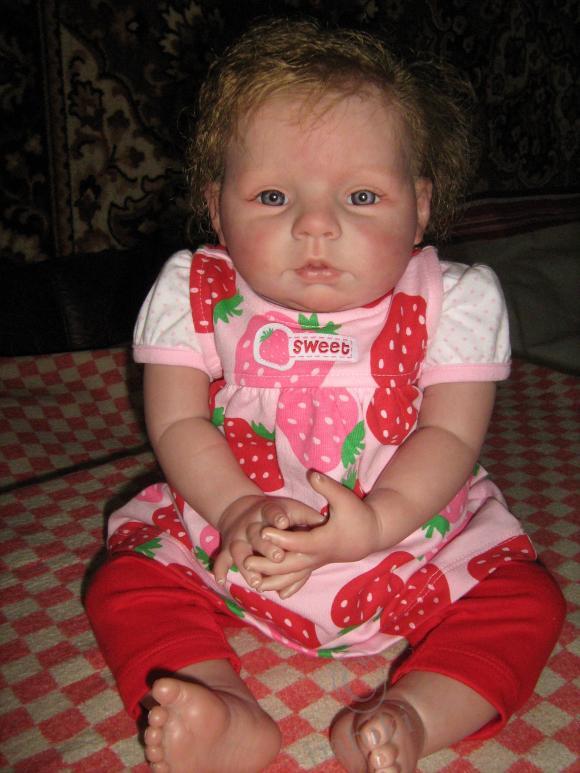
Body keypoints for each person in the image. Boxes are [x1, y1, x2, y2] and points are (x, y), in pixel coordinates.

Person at [85, 18, 565, 773]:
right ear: (217, 207)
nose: (315, 225)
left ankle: (413, 715)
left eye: (362, 195)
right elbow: (177, 422)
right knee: (126, 579)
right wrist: (234, 508)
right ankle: (224, 708)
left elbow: (448, 437)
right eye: (273, 194)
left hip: (412, 545)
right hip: (232, 538)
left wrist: (376, 522)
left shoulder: (452, 302)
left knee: (528, 600)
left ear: (420, 204)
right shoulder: (194, 292)